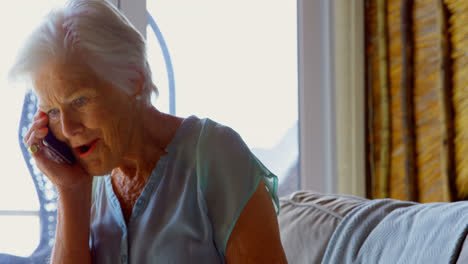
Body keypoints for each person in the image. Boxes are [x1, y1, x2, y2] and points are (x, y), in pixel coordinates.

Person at [9, 0, 287, 263]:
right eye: (54, 111)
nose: (68, 129)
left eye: (80, 100)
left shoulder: (215, 155)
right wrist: (70, 191)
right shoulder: (85, 182)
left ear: (133, 82)